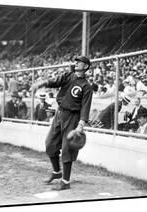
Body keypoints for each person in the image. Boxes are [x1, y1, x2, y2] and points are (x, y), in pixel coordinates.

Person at [31, 55, 93, 190]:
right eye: (76, 61)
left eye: (80, 62)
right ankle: (57, 172)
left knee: (67, 148)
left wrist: (80, 126)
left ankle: (65, 182)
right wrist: (41, 83)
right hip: (59, 113)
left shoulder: (86, 87)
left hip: (73, 117)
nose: (76, 63)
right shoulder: (68, 76)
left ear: (86, 67)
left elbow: (85, 108)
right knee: (50, 144)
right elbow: (55, 81)